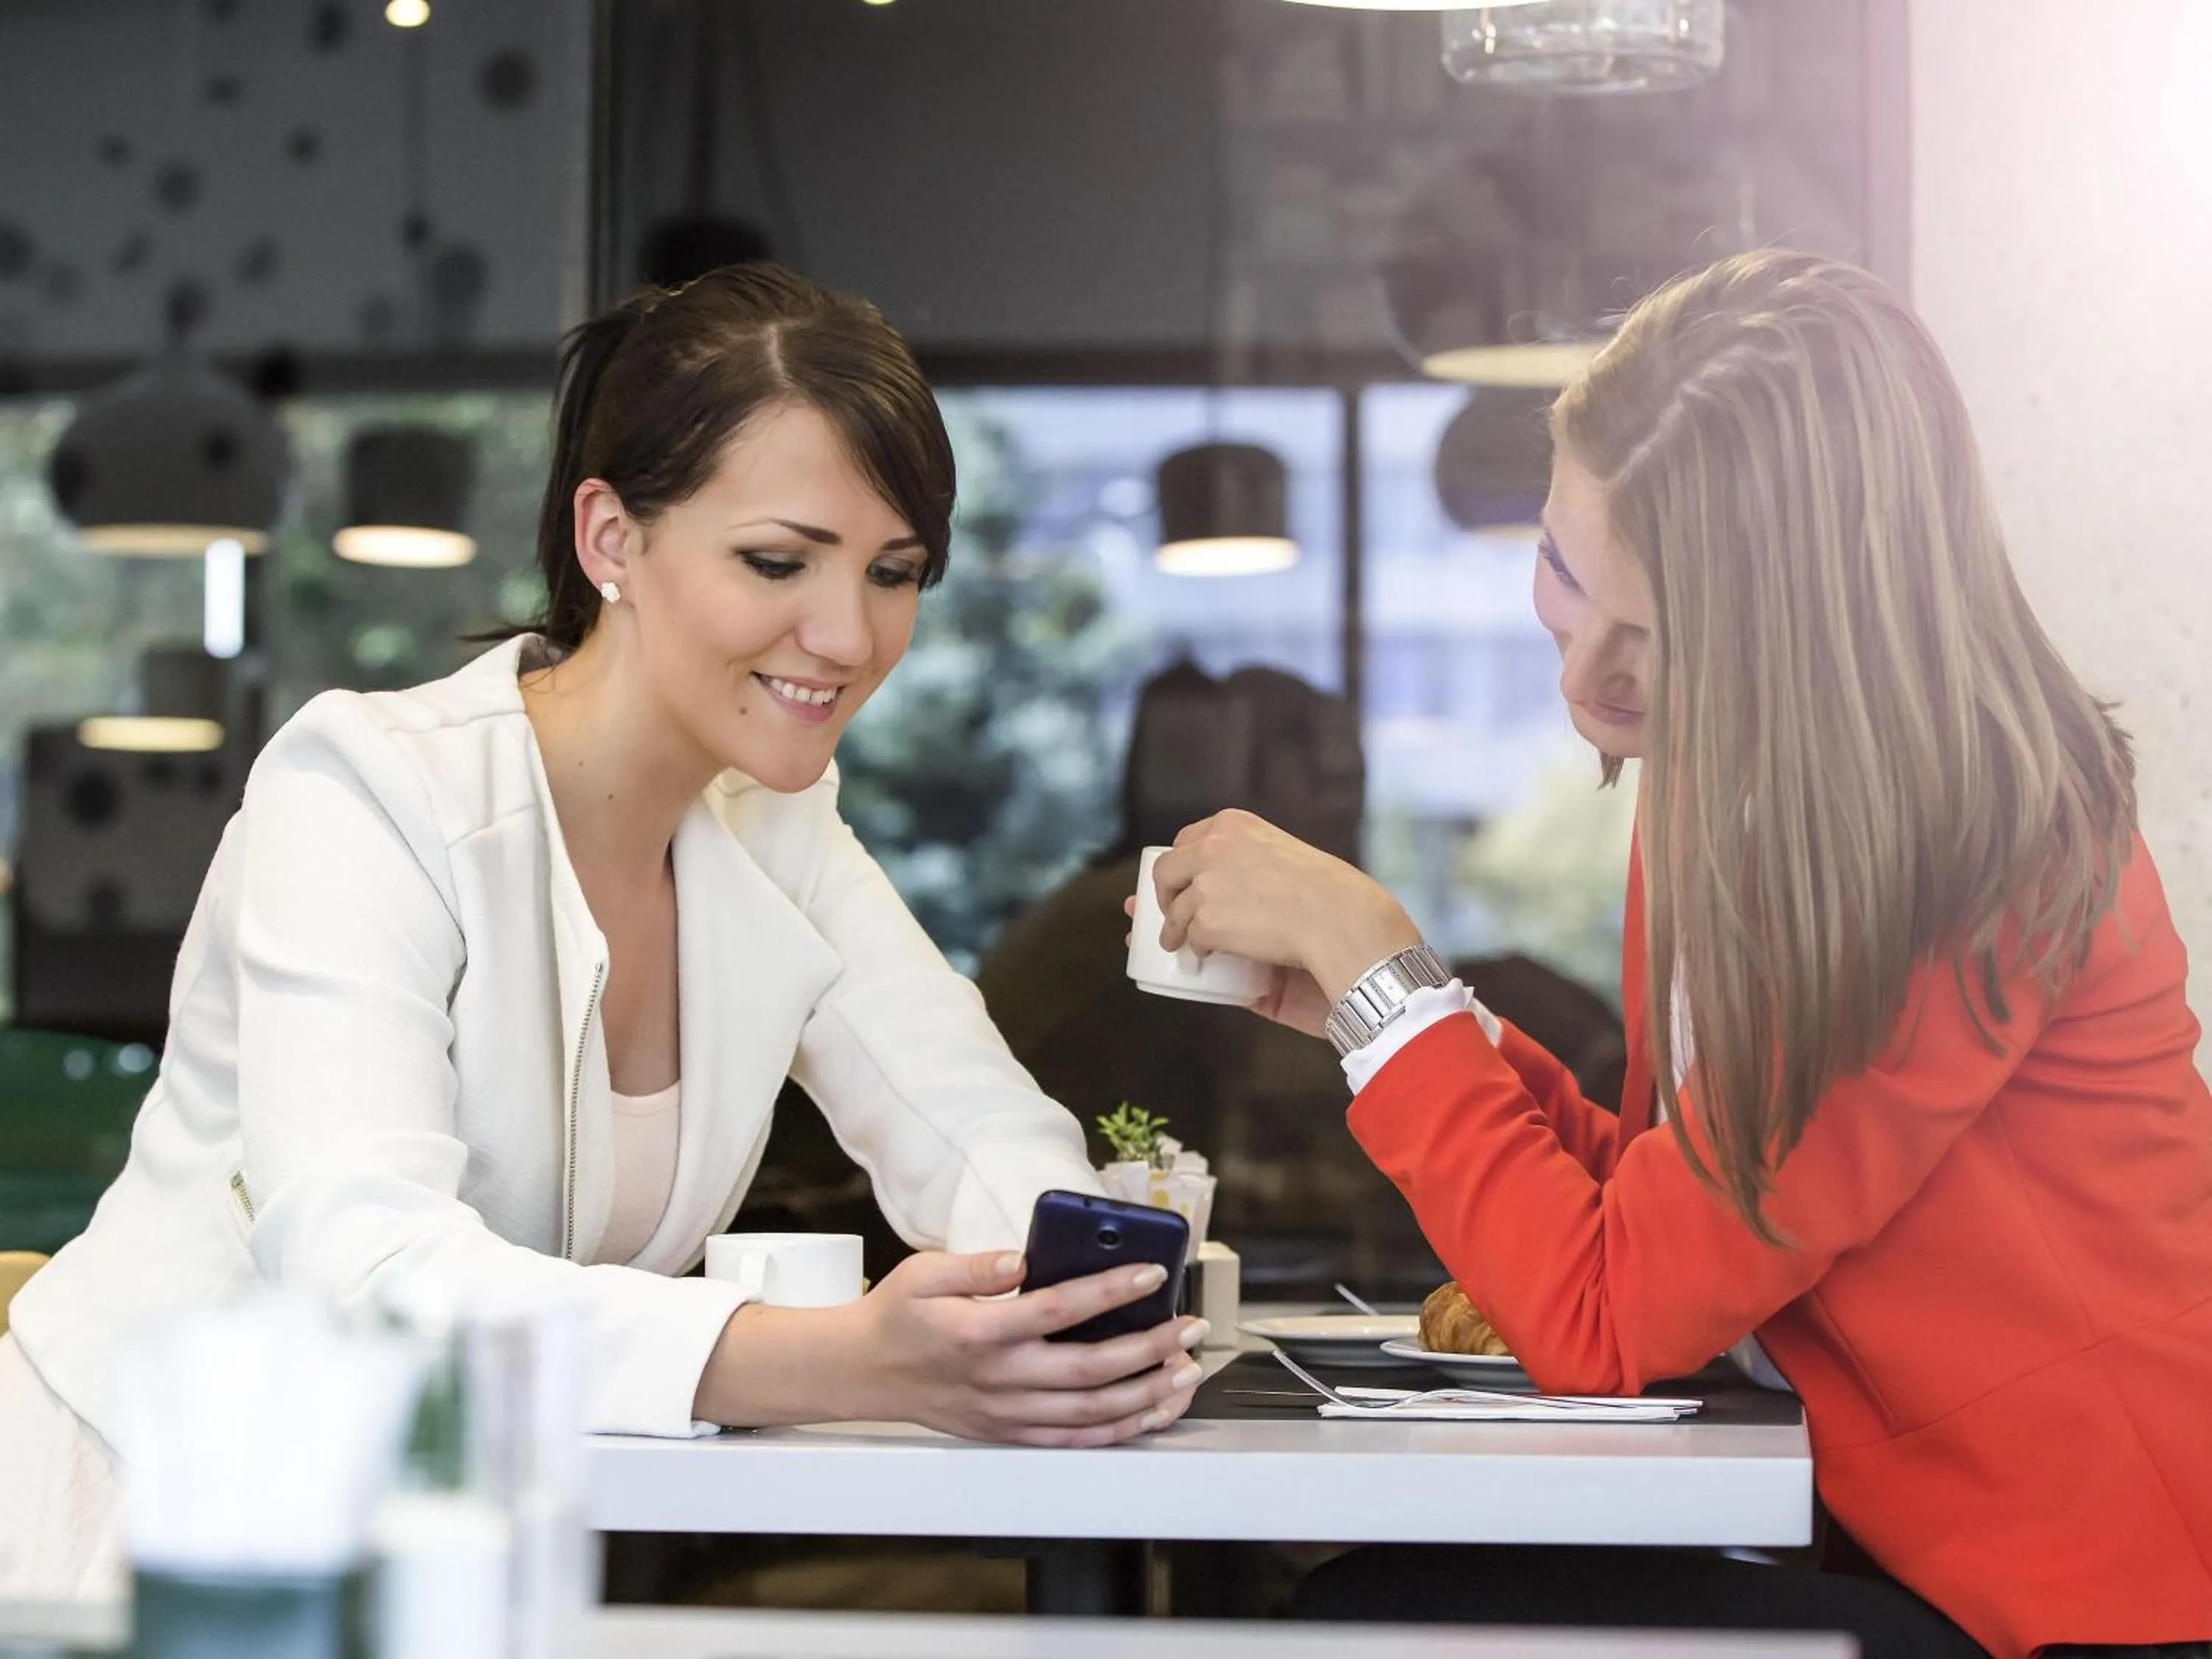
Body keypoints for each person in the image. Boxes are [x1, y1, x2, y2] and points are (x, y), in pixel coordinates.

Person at [0, 264, 1203, 1600]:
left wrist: (1075, 1301)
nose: (850, 634)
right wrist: (852, 1356)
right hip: (133, 1523)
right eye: (777, 560)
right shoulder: (365, 793)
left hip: (438, 1542)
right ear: (610, 539)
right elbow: (373, 1276)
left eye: (895, 571)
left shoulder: (774, 831)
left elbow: (967, 1121)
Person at [1143, 251, 2211, 1658]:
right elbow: (1665, 1222)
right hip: (1924, 1557)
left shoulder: (1958, 860)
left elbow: (1603, 1316)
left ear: (1809, 633)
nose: (1583, 671)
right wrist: (1374, 1009)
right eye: (1561, 567)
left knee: (1382, 1614)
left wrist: (1379, 970)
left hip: (2095, 1605)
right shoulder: (1745, 784)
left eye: (1658, 632)